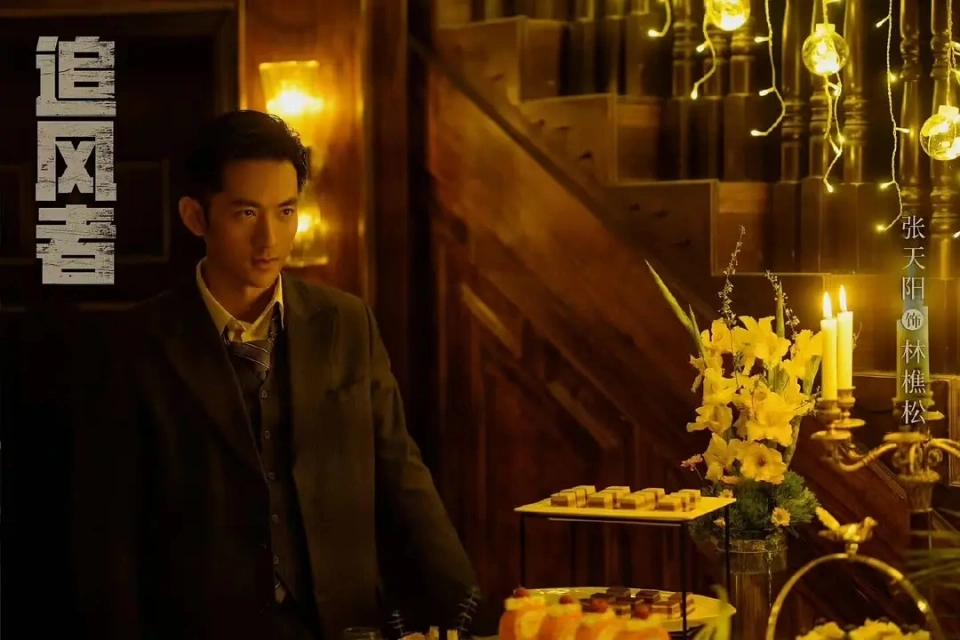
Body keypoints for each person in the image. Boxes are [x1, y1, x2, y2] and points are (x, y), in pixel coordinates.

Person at [71, 110, 483, 640]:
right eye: (246, 212)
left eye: (286, 211)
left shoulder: (346, 322)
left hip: (342, 624)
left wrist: (468, 610)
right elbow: (108, 531)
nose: (269, 237)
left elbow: (401, 476)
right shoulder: (136, 345)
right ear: (196, 217)